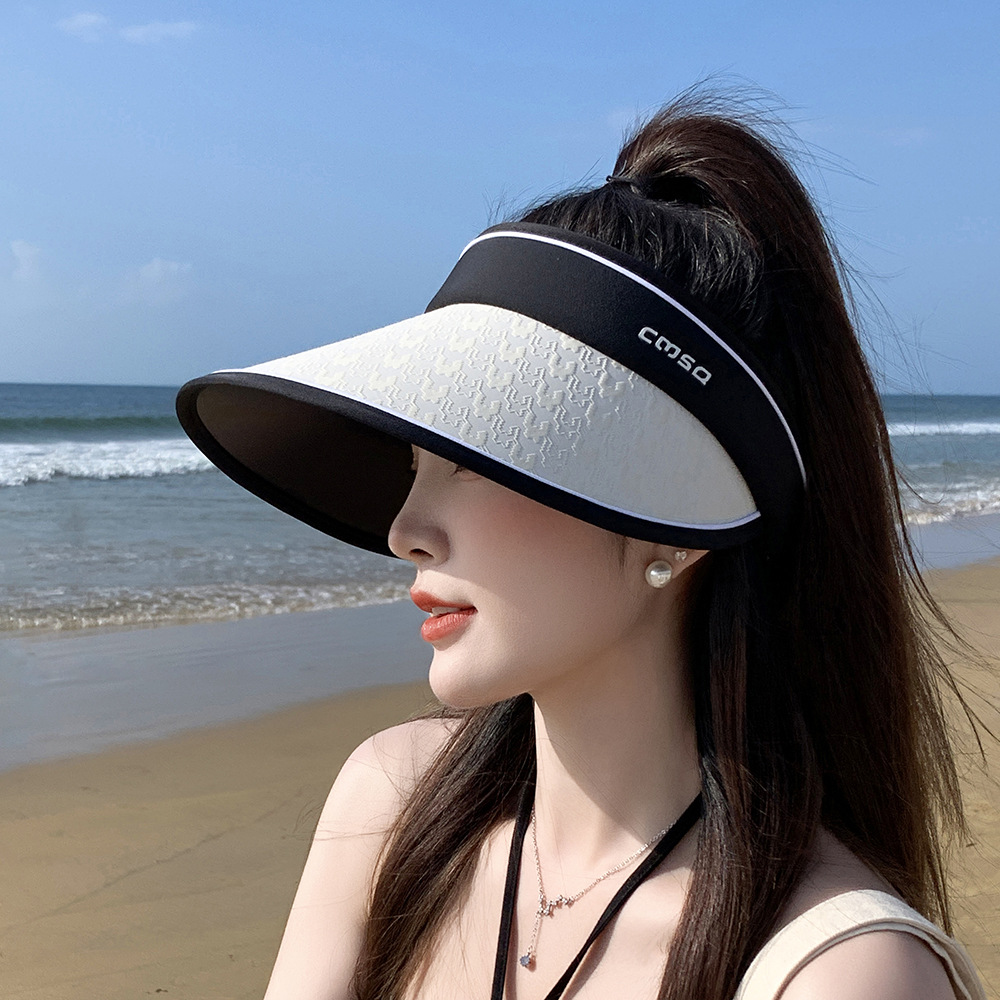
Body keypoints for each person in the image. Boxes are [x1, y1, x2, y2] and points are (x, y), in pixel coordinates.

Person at [176, 93, 987, 1000]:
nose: (405, 532)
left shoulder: (834, 971)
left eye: (475, 460)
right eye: (414, 463)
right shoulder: (389, 807)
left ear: (674, 520)